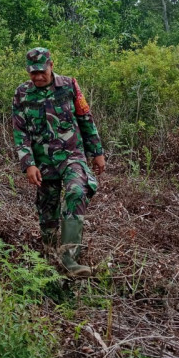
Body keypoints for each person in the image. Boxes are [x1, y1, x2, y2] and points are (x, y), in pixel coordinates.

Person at [12, 47, 106, 276]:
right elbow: (20, 132)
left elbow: (85, 118)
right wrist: (28, 163)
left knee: (77, 191)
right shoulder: (22, 93)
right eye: (33, 72)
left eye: (42, 71)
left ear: (51, 66)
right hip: (43, 161)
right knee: (47, 209)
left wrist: (97, 151)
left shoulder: (69, 85)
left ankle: (69, 258)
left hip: (72, 155)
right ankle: (48, 256)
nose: (38, 77)